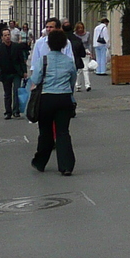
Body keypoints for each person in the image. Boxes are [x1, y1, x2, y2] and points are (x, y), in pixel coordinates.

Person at [28, 28, 79, 176]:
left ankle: (40, 161)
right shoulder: (69, 61)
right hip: (64, 98)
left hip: (46, 98)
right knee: (63, 132)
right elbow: (72, 80)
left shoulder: (43, 60)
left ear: (49, 44)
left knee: (45, 132)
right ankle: (66, 165)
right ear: (64, 44)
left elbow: (36, 79)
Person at [0, 28, 27, 119]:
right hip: (5, 73)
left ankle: (16, 111)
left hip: (16, 73)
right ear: (2, 37)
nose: (7, 37)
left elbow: (21, 60)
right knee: (7, 93)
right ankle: (8, 112)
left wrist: (24, 71)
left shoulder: (16, 46)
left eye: (8, 35)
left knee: (16, 91)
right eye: (5, 35)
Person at [65, 20, 91, 92]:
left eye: (81, 28)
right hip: (77, 52)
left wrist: (90, 51)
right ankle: (78, 85)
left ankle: (87, 85)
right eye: (79, 28)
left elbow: (89, 43)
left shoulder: (87, 34)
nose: (80, 29)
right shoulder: (74, 35)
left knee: (85, 69)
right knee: (78, 70)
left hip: (85, 51)